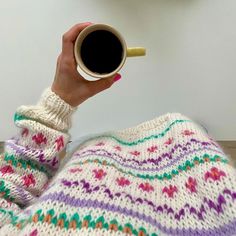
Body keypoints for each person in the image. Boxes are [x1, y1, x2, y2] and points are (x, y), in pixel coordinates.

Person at [0, 22, 235, 236]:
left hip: (96, 155)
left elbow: (8, 193)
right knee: (184, 126)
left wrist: (61, 99)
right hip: (190, 157)